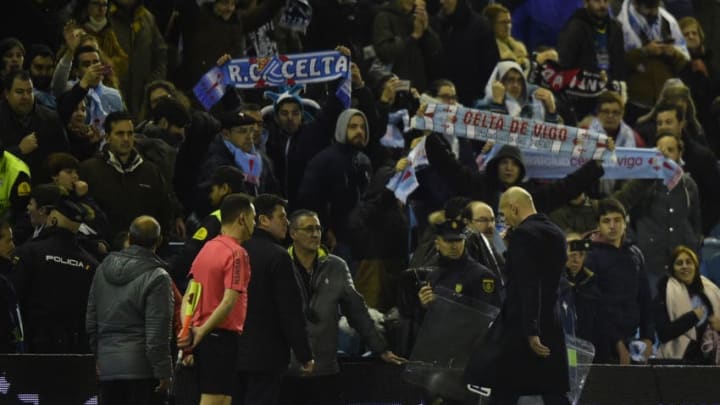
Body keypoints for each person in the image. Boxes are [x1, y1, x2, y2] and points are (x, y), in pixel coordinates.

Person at [281, 209, 406, 404]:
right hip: (286, 367)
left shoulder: (336, 266)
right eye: (308, 229)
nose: (315, 234)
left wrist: (380, 348)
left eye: (318, 229)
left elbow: (357, 310)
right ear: (293, 233)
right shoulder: (279, 263)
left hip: (324, 367)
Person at [466, 187, 570, 405]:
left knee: (503, 389)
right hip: (551, 321)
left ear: (514, 208)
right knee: (552, 391)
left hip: (523, 326)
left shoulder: (523, 235)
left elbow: (528, 284)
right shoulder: (557, 233)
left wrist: (531, 331)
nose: (504, 222)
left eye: (504, 215)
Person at [235, 194, 314, 405]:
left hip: (232, 353)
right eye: (281, 217)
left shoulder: (235, 251)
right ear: (263, 220)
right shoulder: (277, 256)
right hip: (266, 356)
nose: (286, 223)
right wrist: (304, 353)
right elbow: (290, 310)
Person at [86, 216, 174, 404]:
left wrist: (99, 357)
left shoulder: (102, 269)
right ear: (159, 242)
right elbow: (157, 333)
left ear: (130, 238)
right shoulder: (158, 277)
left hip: (107, 370)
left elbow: (91, 322)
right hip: (143, 372)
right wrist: (163, 371)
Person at [178, 193, 255, 405]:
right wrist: (202, 331)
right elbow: (229, 301)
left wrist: (187, 328)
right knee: (213, 400)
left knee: (222, 400)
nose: (254, 223)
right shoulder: (237, 253)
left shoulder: (207, 247)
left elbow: (189, 295)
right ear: (242, 219)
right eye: (253, 218)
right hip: (219, 338)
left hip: (204, 337)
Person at [12, 196, 99, 354]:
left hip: (33, 344)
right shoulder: (91, 264)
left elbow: (14, 297)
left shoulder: (29, 252)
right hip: (75, 349)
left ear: (52, 220)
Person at [583, 198, 654, 364]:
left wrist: (648, 338)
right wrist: (617, 343)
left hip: (632, 340)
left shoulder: (635, 254)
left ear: (625, 222)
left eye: (617, 220)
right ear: (598, 226)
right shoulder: (590, 257)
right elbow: (595, 305)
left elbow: (645, 299)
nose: (612, 226)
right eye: (606, 221)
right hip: (600, 342)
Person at [654, 245, 720, 364]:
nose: (684, 266)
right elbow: (664, 334)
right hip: (677, 362)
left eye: (688, 262)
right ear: (672, 268)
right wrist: (692, 317)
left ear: (695, 266)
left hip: (708, 360)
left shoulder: (709, 291)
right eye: (679, 263)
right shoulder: (664, 294)